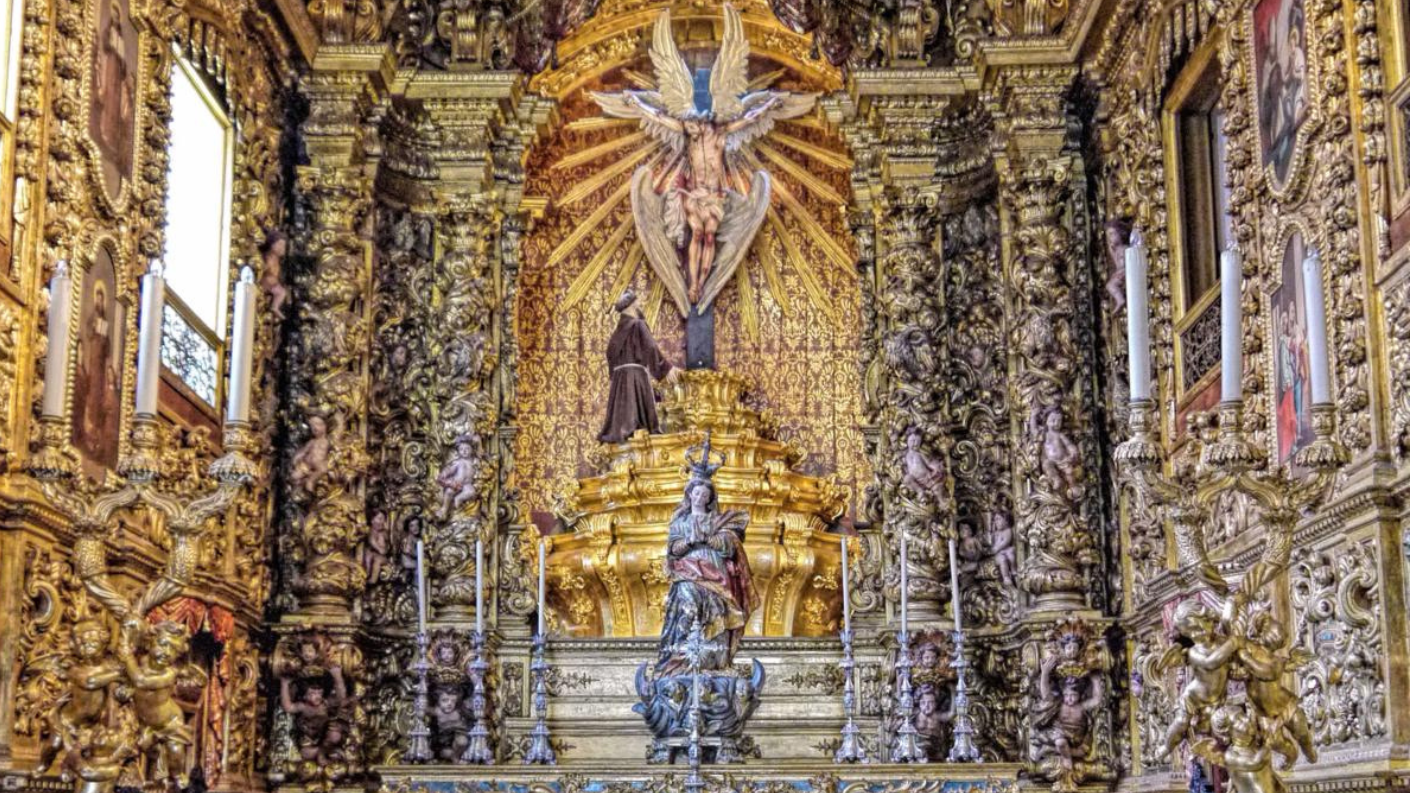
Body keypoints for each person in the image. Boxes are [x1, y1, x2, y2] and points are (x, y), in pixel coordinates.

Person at [599, 289, 679, 443]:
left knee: (622, 424)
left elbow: (610, 357)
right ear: (631, 306)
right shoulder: (638, 324)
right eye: (637, 302)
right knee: (640, 425)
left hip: (619, 383)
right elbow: (651, 347)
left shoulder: (616, 333)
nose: (639, 304)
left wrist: (617, 379)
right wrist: (666, 368)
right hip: (636, 379)